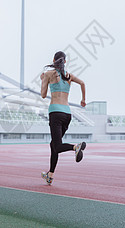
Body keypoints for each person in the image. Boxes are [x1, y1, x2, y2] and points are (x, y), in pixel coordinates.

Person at [40, 51, 86, 185]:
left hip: (55, 112)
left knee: (58, 145)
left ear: (53, 60)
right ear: (65, 61)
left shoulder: (49, 74)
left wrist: (43, 80)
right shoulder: (68, 76)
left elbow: (43, 95)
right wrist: (83, 100)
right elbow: (82, 83)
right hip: (67, 114)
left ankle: (75, 147)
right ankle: (50, 175)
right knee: (53, 145)